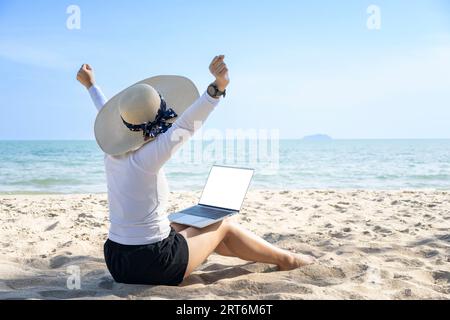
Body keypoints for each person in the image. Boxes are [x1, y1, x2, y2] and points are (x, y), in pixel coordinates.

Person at [76, 55, 314, 286]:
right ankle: (288, 259)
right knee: (223, 225)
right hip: (153, 263)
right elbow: (187, 123)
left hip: (117, 260)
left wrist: (91, 86)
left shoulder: (112, 153)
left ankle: (268, 255)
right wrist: (218, 87)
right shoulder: (150, 155)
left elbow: (105, 110)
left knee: (187, 224)